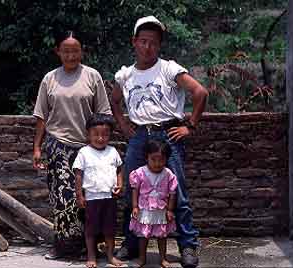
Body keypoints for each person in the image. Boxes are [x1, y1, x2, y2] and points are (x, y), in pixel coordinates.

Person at [111, 16, 209, 268]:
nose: (147, 47)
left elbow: (200, 92)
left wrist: (190, 126)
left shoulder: (168, 69)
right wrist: (122, 124)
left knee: (176, 191)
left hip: (167, 136)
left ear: (159, 45)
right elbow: (114, 101)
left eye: (153, 43)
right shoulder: (125, 75)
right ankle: (131, 243)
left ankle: (187, 245)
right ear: (134, 42)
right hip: (139, 138)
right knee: (132, 190)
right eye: (143, 41)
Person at [32, 30, 112, 259]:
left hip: (89, 148)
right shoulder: (50, 79)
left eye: (75, 51)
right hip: (58, 146)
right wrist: (37, 148)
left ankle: (90, 249)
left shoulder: (92, 76)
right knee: (62, 198)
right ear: (58, 52)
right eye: (66, 51)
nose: (70, 56)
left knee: (91, 198)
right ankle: (62, 247)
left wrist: (100, 144)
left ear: (82, 51)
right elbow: (41, 116)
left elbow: (103, 113)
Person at [72, 113, 123, 268]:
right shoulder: (84, 152)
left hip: (110, 197)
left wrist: (120, 184)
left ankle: (110, 256)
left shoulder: (113, 151)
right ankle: (91, 256)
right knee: (91, 230)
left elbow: (120, 169)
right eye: (96, 134)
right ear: (89, 134)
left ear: (110, 135)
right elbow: (78, 175)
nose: (100, 138)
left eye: (105, 135)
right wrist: (79, 196)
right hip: (92, 198)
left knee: (109, 230)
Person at [129, 139, 178, 268]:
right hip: (144, 209)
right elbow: (135, 190)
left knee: (162, 235)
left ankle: (163, 258)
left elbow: (172, 193)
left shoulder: (168, 174)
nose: (157, 163)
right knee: (143, 236)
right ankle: (142, 258)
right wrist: (134, 206)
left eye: (161, 160)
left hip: (161, 210)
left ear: (166, 159)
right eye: (153, 159)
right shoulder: (140, 173)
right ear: (147, 157)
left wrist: (170, 210)